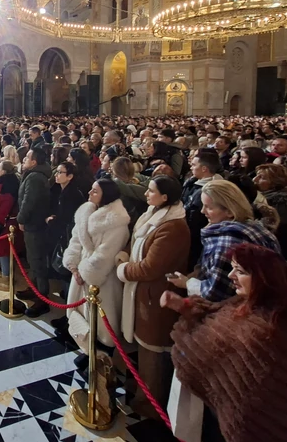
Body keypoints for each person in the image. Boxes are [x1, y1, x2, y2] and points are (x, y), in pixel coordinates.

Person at [163, 244, 287, 442]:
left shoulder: (267, 328)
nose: (231, 275)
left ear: (264, 279)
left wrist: (188, 332)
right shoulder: (251, 303)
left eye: (240, 271)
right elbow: (214, 314)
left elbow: (204, 344)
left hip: (254, 426)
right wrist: (184, 306)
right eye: (233, 268)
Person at [116, 176, 190, 415]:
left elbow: (151, 267)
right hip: (143, 293)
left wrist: (123, 269)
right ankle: (141, 387)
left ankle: (149, 403)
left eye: (151, 191)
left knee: (152, 353)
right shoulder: (153, 214)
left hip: (156, 296)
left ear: (165, 197)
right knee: (143, 348)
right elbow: (138, 241)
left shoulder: (173, 227)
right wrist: (125, 254)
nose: (146, 194)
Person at [168, 180, 280, 301]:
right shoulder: (256, 228)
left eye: (209, 207)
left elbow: (215, 293)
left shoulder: (226, 243)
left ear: (230, 211)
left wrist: (187, 283)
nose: (202, 211)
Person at [63, 178, 129, 355]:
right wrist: (74, 267)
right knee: (83, 317)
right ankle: (87, 351)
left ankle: (101, 358)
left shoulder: (117, 221)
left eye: (95, 191)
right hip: (81, 271)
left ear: (105, 195)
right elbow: (76, 240)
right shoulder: (86, 211)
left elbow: (106, 254)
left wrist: (86, 272)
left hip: (102, 277)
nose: (89, 193)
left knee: (102, 322)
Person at [15, 147, 54, 317]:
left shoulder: (35, 177)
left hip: (34, 224)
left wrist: (21, 219)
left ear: (34, 161)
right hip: (33, 223)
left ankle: (42, 298)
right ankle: (34, 288)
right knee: (32, 259)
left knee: (37, 261)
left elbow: (28, 201)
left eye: (27, 157)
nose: (24, 159)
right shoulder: (34, 174)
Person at [254, 163, 287, 262]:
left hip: (281, 249)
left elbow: (273, 227)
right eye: (256, 175)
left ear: (275, 182)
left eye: (262, 177)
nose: (254, 179)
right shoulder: (286, 193)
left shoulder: (281, 200)